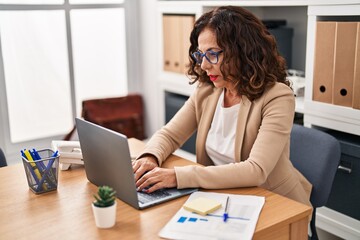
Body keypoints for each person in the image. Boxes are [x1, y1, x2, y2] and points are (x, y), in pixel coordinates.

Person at [133, 6, 312, 207]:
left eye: (213, 54)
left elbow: (256, 170)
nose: (204, 66)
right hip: (223, 196)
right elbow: (170, 135)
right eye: (200, 55)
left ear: (243, 51)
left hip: (273, 201)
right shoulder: (208, 90)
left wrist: (177, 176)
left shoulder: (277, 96)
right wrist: (150, 156)